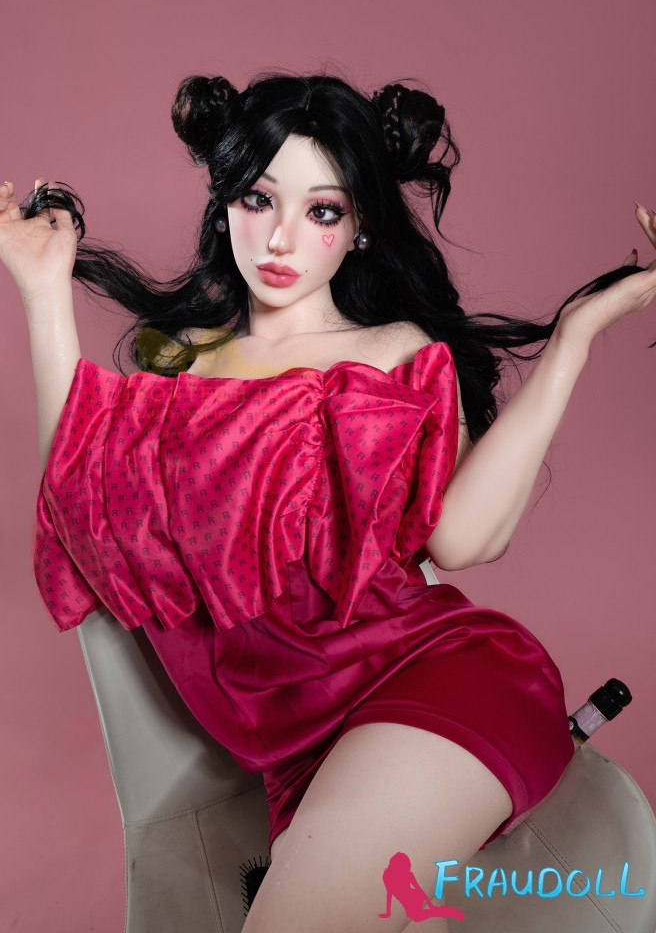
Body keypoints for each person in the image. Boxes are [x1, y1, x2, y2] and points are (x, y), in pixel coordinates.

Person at [1, 72, 655, 933]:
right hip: (299, 756)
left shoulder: (391, 351)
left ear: (358, 228)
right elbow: (82, 504)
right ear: (223, 201)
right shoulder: (182, 360)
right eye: (258, 198)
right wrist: (42, 289)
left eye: (321, 211)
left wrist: (574, 338)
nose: (280, 238)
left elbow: (461, 542)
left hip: (437, 690)